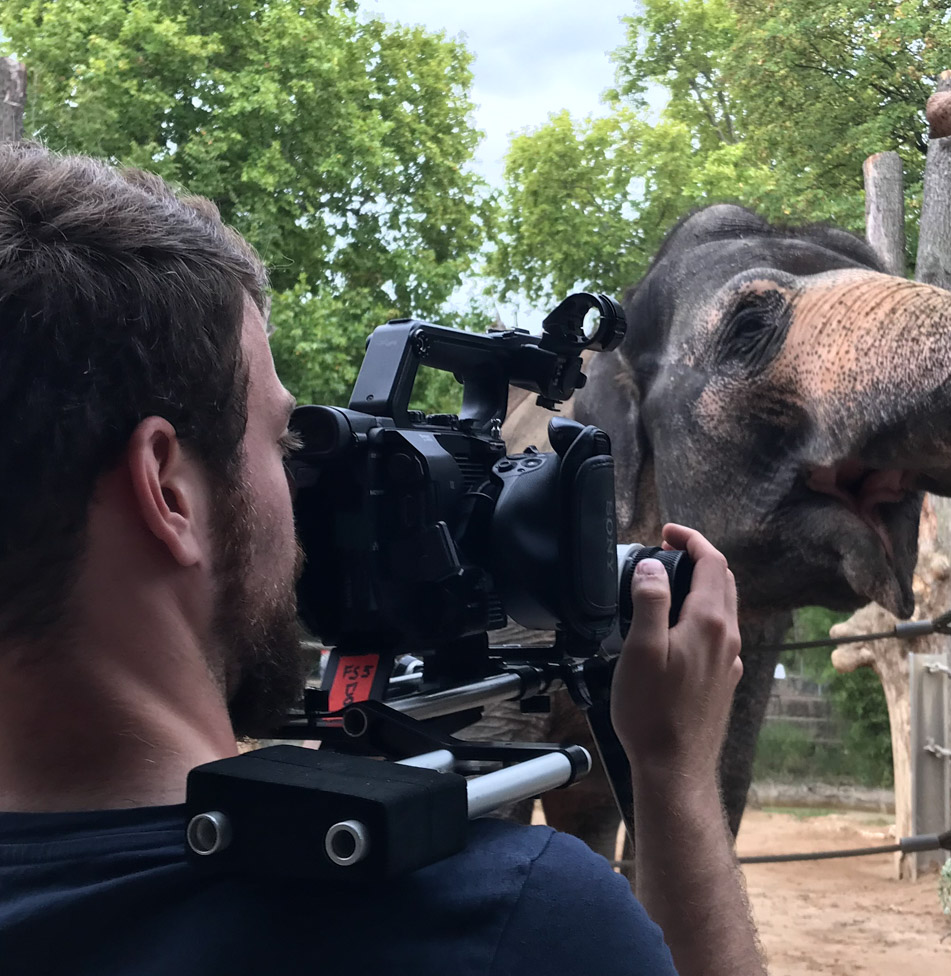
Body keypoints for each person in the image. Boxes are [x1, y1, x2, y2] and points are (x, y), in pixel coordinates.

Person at [0, 142, 765, 976]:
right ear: (169, 491)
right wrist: (677, 778)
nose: (303, 488)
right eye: (280, 439)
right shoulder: (512, 923)